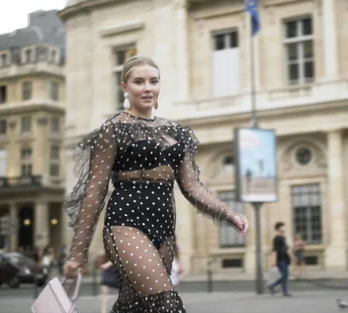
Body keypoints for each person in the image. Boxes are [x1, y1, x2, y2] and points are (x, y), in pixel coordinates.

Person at [62, 56, 249, 313]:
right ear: (124, 86)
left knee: (135, 306)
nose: (147, 87)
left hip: (163, 228)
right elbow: (95, 190)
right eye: (139, 82)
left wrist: (230, 213)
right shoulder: (114, 129)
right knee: (165, 303)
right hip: (125, 223)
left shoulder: (176, 132)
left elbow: (193, 188)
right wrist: (77, 253)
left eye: (153, 81)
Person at [267, 222, 292, 297]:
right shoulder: (276, 238)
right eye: (283, 227)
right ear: (278, 228)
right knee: (285, 275)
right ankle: (284, 291)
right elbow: (274, 250)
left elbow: (287, 248)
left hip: (285, 258)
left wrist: (291, 257)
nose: (284, 228)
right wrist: (274, 261)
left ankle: (272, 286)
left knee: (285, 275)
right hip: (280, 259)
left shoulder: (284, 238)